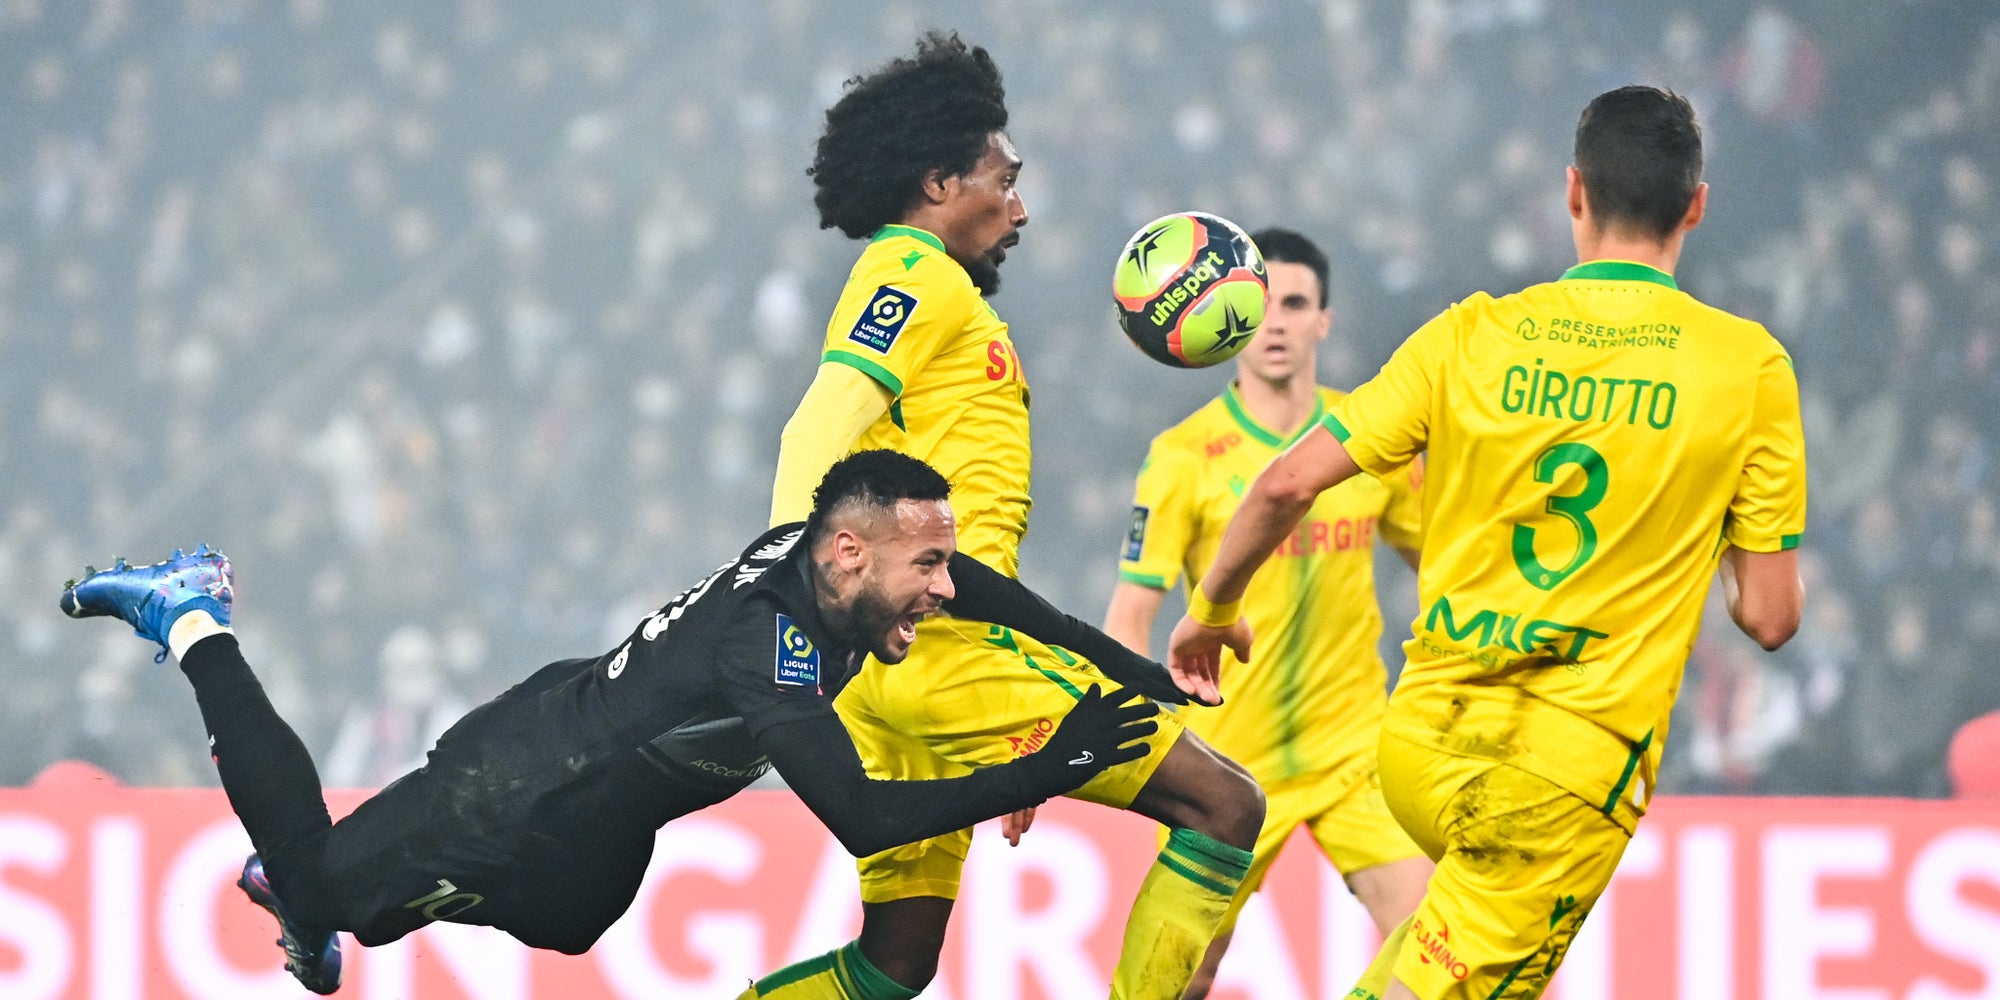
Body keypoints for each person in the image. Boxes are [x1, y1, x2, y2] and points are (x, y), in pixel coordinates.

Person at [60, 450, 1170, 996]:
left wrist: (1128, 669)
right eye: (927, 565)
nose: (943, 588)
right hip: (517, 785)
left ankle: (344, 892)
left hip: (595, 816)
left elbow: (995, 593)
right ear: (850, 553)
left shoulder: (832, 557)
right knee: (325, 892)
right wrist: (1054, 761)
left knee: (571, 923)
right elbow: (865, 817)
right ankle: (192, 615)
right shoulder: (772, 646)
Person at [1169, 86, 1806, 1000]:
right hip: (1557, 779)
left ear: (1574, 191)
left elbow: (1285, 483)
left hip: (1422, 742)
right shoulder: (1748, 368)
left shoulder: (1468, 333)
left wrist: (1210, 610)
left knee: (1427, 956)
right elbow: (1770, 618)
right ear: (1696, 205)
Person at [751, 31, 1265, 1000]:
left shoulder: (931, 290)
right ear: (941, 181)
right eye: (1006, 178)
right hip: (946, 653)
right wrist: (787, 593)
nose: (1020, 208)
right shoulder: (914, 271)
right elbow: (815, 423)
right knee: (1225, 807)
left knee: (892, 965)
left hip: (892, 669)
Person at [1104, 227, 1433, 999]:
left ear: (1324, 320)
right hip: (1229, 764)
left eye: (1295, 304)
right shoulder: (1183, 455)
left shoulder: (1371, 436)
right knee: (1180, 979)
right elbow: (1130, 615)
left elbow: (1446, 566)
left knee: (1434, 946)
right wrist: (1136, 739)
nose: (1276, 322)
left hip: (1355, 752)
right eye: (1262, 305)